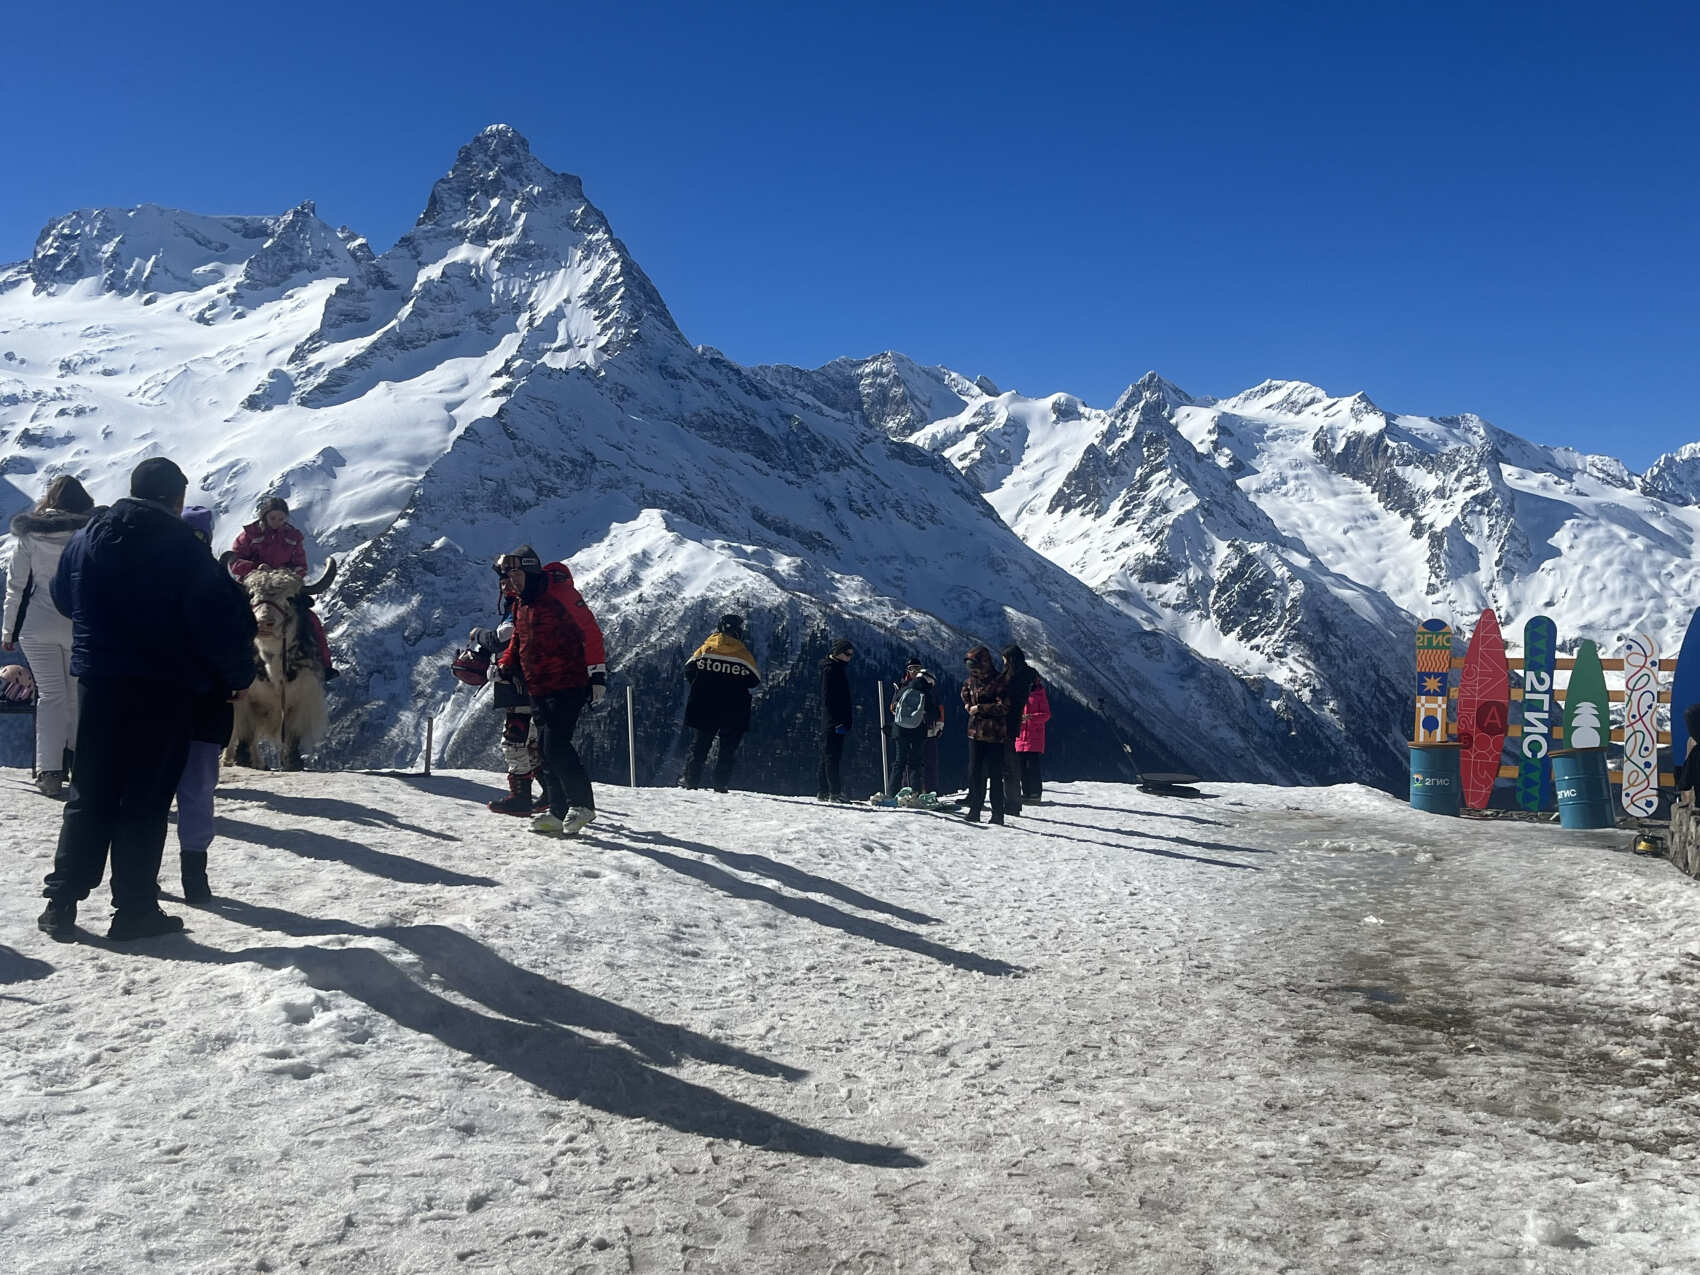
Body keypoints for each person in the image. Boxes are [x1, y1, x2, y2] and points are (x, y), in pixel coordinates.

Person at [38, 458, 257, 941]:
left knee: (90, 789)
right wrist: (237, 676)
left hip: (98, 680)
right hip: (164, 686)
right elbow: (221, 620)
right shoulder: (185, 547)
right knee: (146, 797)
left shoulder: (88, 535)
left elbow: (62, 597)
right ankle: (134, 909)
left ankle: (61, 902)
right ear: (177, 499)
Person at [174, 506, 258, 903]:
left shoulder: (148, 578)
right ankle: (195, 875)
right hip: (209, 704)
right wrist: (239, 682)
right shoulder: (223, 587)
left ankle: (140, 876)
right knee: (198, 788)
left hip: (152, 702)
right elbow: (243, 637)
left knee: (148, 794)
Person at [494, 546, 600, 836]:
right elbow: (519, 638)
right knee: (544, 748)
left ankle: (582, 805)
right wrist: (505, 664)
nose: (509, 580)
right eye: (506, 574)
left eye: (514, 573)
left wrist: (598, 673)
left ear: (528, 570)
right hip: (537, 685)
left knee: (555, 745)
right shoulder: (521, 603)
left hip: (568, 682)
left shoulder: (559, 595)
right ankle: (557, 810)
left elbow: (590, 631)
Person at [3, 475, 95, 797]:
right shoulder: (89, 532)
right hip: (77, 624)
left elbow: (16, 586)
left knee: (50, 696)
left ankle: (49, 771)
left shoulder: (30, 534)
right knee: (75, 696)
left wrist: (8, 631)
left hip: (36, 625)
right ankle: (79, 765)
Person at [229, 496, 336, 678]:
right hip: (254, 587)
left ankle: (324, 665)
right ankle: (228, 664)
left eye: (281, 519)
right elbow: (234, 562)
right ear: (264, 517)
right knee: (232, 619)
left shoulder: (293, 537)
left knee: (311, 621)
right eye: (273, 518)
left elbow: (301, 565)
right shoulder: (249, 535)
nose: (277, 523)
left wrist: (288, 576)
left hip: (283, 588)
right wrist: (256, 568)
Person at [681, 614, 761, 792]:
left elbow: (689, 671)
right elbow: (754, 680)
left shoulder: (705, 649)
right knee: (727, 749)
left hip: (705, 705)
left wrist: (704, 686)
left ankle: (690, 781)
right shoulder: (743, 654)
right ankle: (720, 784)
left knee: (700, 746)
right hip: (734, 707)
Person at [960, 645, 1009, 825]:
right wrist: (967, 705)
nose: (971, 669)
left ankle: (998, 813)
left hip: (994, 734)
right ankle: (975, 809)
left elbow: (1004, 706)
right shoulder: (971, 681)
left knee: (995, 774)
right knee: (975, 772)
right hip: (975, 733)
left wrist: (979, 708)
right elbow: (964, 692)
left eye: (974, 664)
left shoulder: (999, 681)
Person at [886, 657, 938, 798]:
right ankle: (915, 794)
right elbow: (934, 713)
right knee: (915, 763)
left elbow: (893, 706)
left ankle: (891, 793)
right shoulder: (925, 693)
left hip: (899, 729)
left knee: (899, 762)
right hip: (917, 731)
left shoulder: (904, 688)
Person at [1000, 645, 1039, 816]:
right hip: (1015, 723)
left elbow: (1003, 694)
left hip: (1004, 722)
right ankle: (1013, 801)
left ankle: (1010, 803)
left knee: (1007, 765)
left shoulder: (1012, 677)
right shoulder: (1029, 676)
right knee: (1012, 764)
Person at [816, 637, 855, 802]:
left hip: (834, 719)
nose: (849, 657)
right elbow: (829, 698)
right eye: (847, 654)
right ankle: (834, 793)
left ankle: (824, 791)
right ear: (838, 653)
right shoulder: (831, 670)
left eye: (851, 654)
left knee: (827, 755)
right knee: (832, 756)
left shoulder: (835, 668)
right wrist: (838, 720)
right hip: (834, 721)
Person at [1014, 673, 1051, 805]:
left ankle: (1035, 793)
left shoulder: (1040, 695)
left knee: (1032, 766)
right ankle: (1026, 793)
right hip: (1020, 735)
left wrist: (1031, 717)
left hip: (1034, 735)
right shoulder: (1018, 693)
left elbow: (1046, 715)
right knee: (1022, 766)